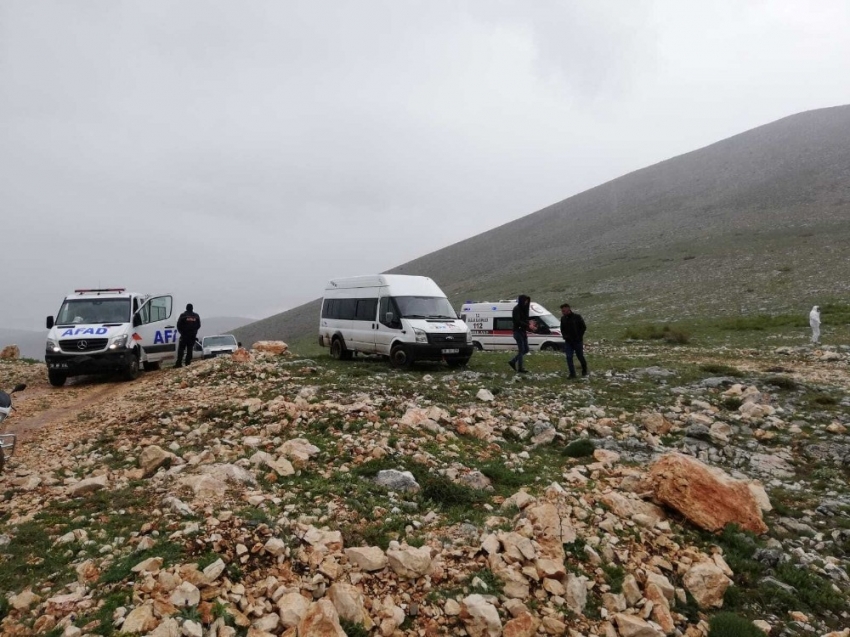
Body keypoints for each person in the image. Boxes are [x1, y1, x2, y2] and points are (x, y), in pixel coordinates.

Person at [560, 303, 588, 378]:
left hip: (577, 341)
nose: (563, 312)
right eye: (562, 311)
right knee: (569, 357)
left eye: (564, 310)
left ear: (568, 309)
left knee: (580, 356)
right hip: (568, 342)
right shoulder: (563, 319)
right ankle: (572, 373)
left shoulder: (577, 317)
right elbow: (562, 329)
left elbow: (583, 327)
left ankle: (584, 370)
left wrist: (579, 336)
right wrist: (565, 336)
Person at [508, 295, 531, 373]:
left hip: (523, 331)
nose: (526, 302)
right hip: (518, 331)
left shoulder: (524, 309)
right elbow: (517, 321)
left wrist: (529, 324)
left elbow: (524, 320)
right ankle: (520, 368)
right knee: (522, 350)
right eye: (525, 301)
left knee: (526, 349)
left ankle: (513, 361)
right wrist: (527, 325)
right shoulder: (516, 309)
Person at [175, 303, 201, 368]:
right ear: (192, 308)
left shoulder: (183, 315)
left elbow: (178, 325)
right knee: (190, 349)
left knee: (181, 349)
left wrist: (181, 332)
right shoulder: (196, 316)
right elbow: (198, 325)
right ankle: (188, 363)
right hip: (192, 336)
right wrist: (194, 332)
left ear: (186, 308)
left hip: (184, 335)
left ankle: (179, 363)